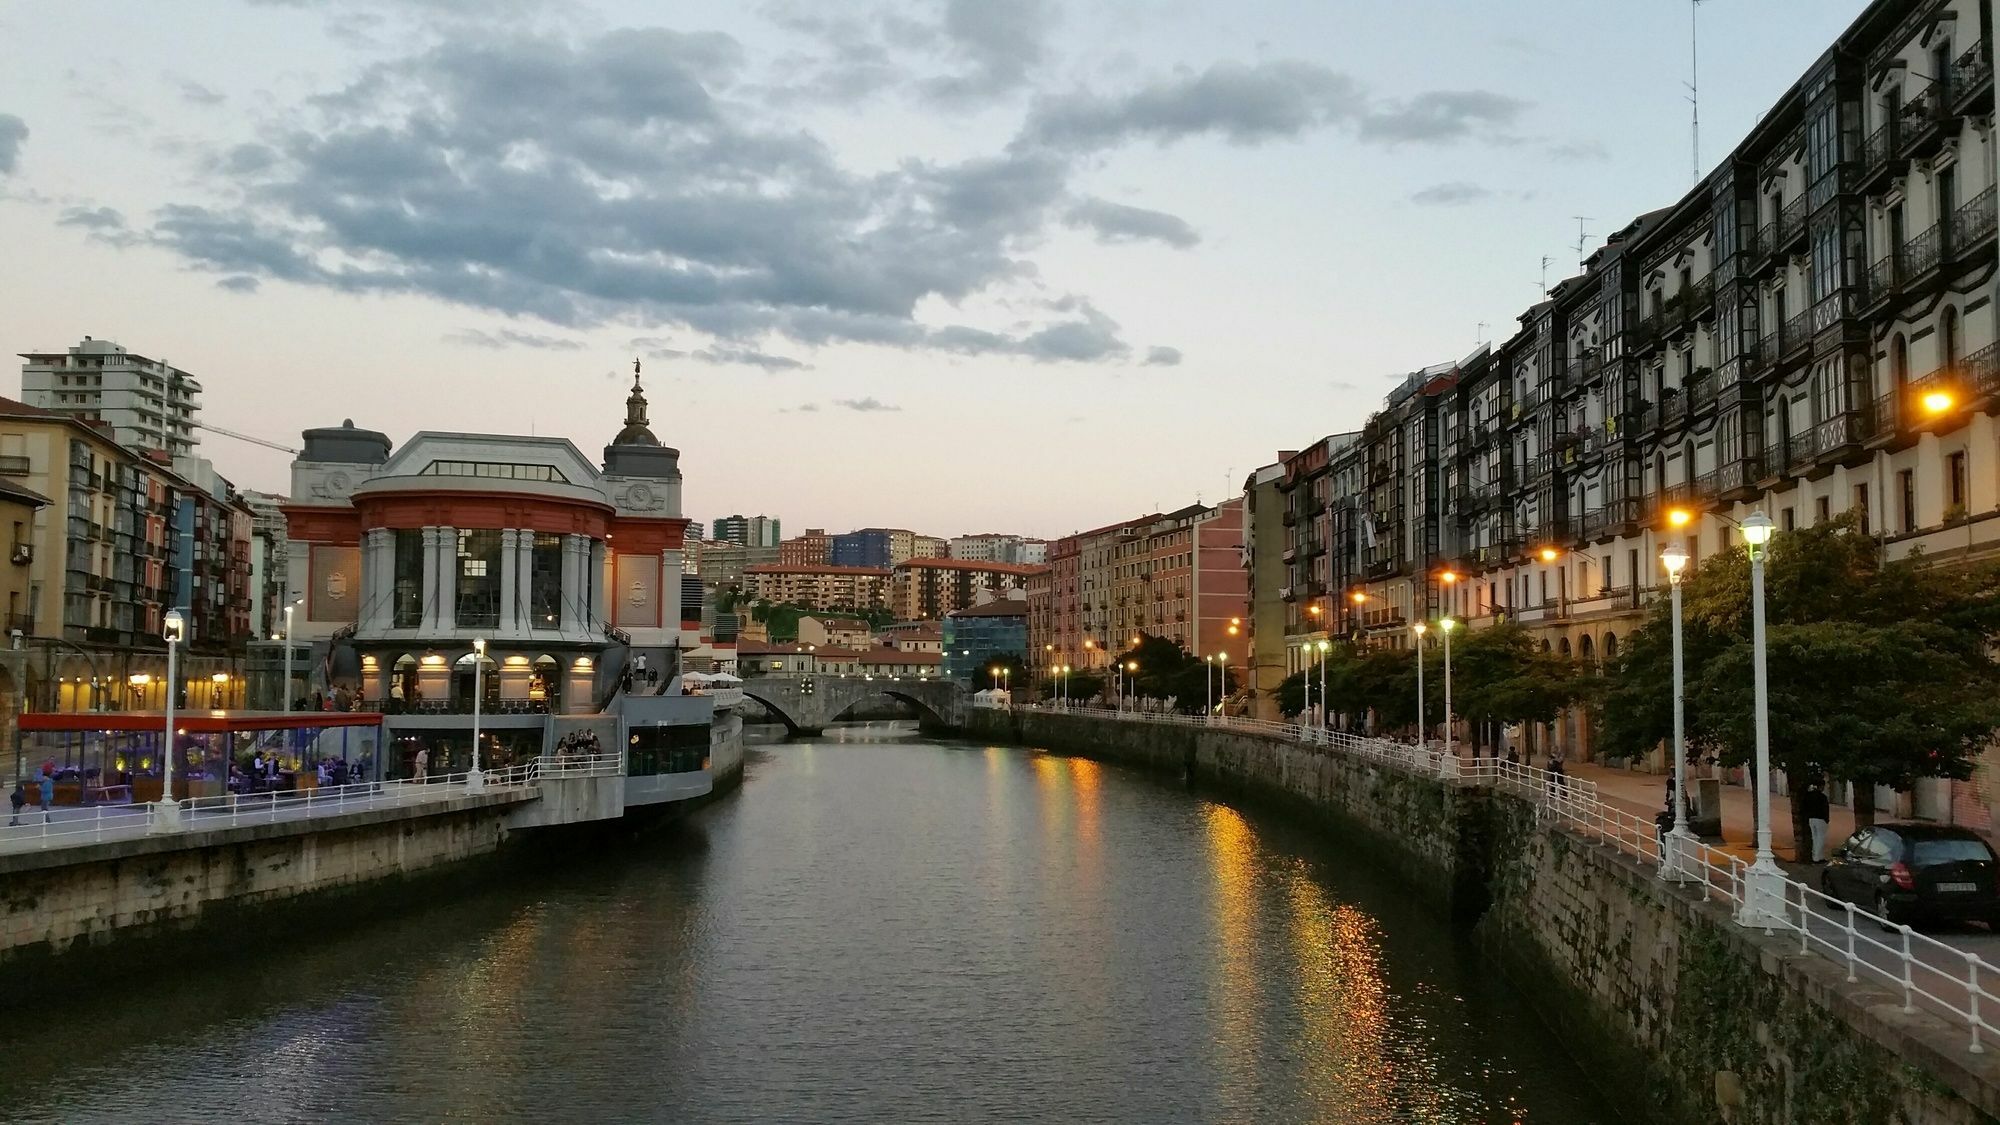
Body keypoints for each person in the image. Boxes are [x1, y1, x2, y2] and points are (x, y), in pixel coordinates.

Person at [1804, 779, 1831, 863]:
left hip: (1811, 818)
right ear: (1821, 786)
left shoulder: (1808, 795)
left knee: (1815, 837)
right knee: (1820, 838)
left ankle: (1816, 856)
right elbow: (1825, 809)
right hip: (1820, 819)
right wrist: (1826, 819)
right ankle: (1817, 857)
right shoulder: (1822, 797)